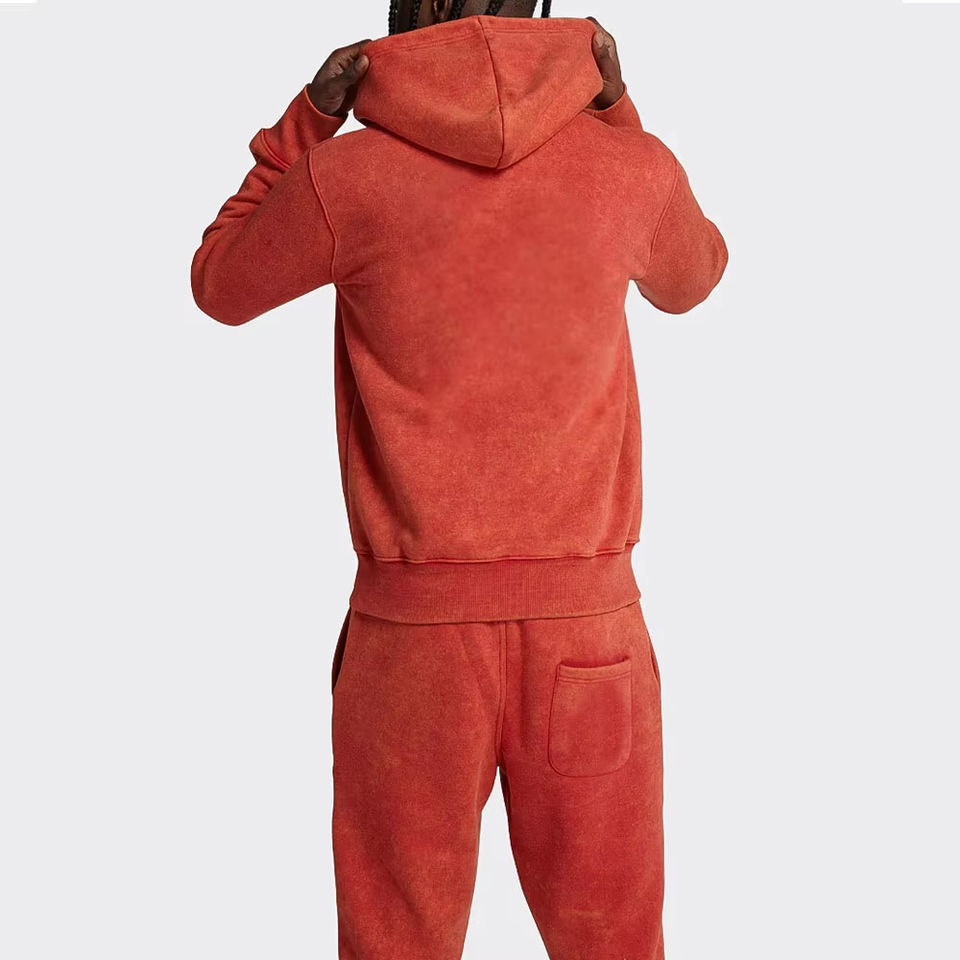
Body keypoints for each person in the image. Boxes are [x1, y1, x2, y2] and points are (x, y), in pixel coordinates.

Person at [190, 1, 728, 957]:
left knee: (397, 940)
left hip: (414, 646)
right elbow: (694, 277)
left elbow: (220, 283)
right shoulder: (628, 172)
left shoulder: (346, 179)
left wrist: (307, 120)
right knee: (613, 940)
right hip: (587, 638)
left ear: (422, 12)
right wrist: (615, 113)